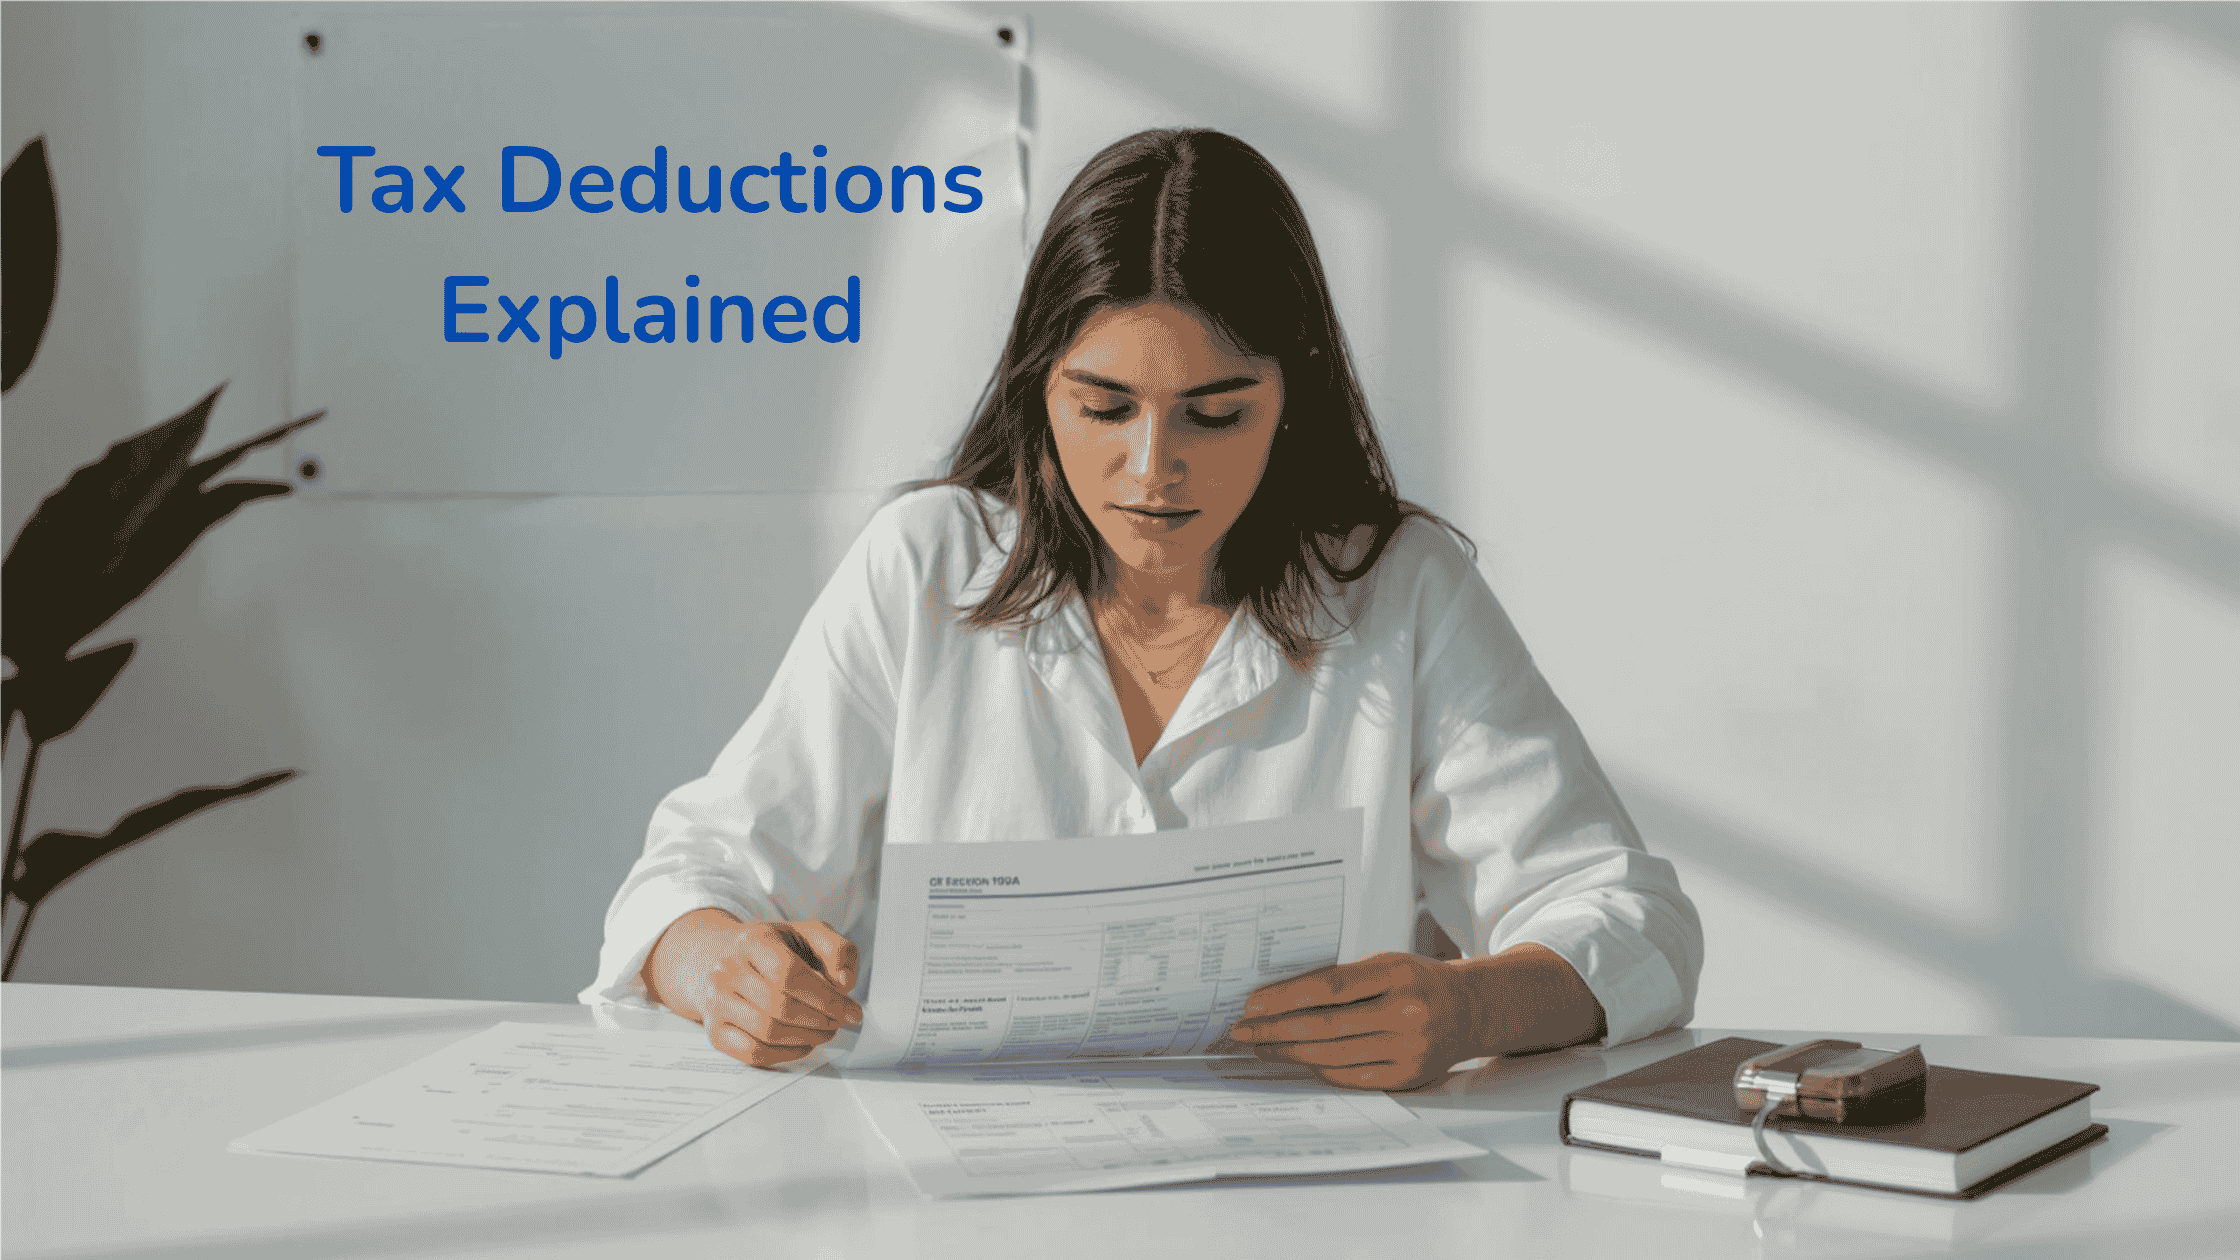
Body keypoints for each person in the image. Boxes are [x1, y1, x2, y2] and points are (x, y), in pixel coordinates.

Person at [582, 128, 1702, 1092]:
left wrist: (1467, 1010)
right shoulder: (923, 565)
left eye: (1216, 413)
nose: (1151, 467)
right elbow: (685, 882)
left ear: (1291, 395)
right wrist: (722, 970)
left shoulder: (1400, 588)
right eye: (1104, 407)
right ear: (1040, 388)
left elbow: (1632, 917)